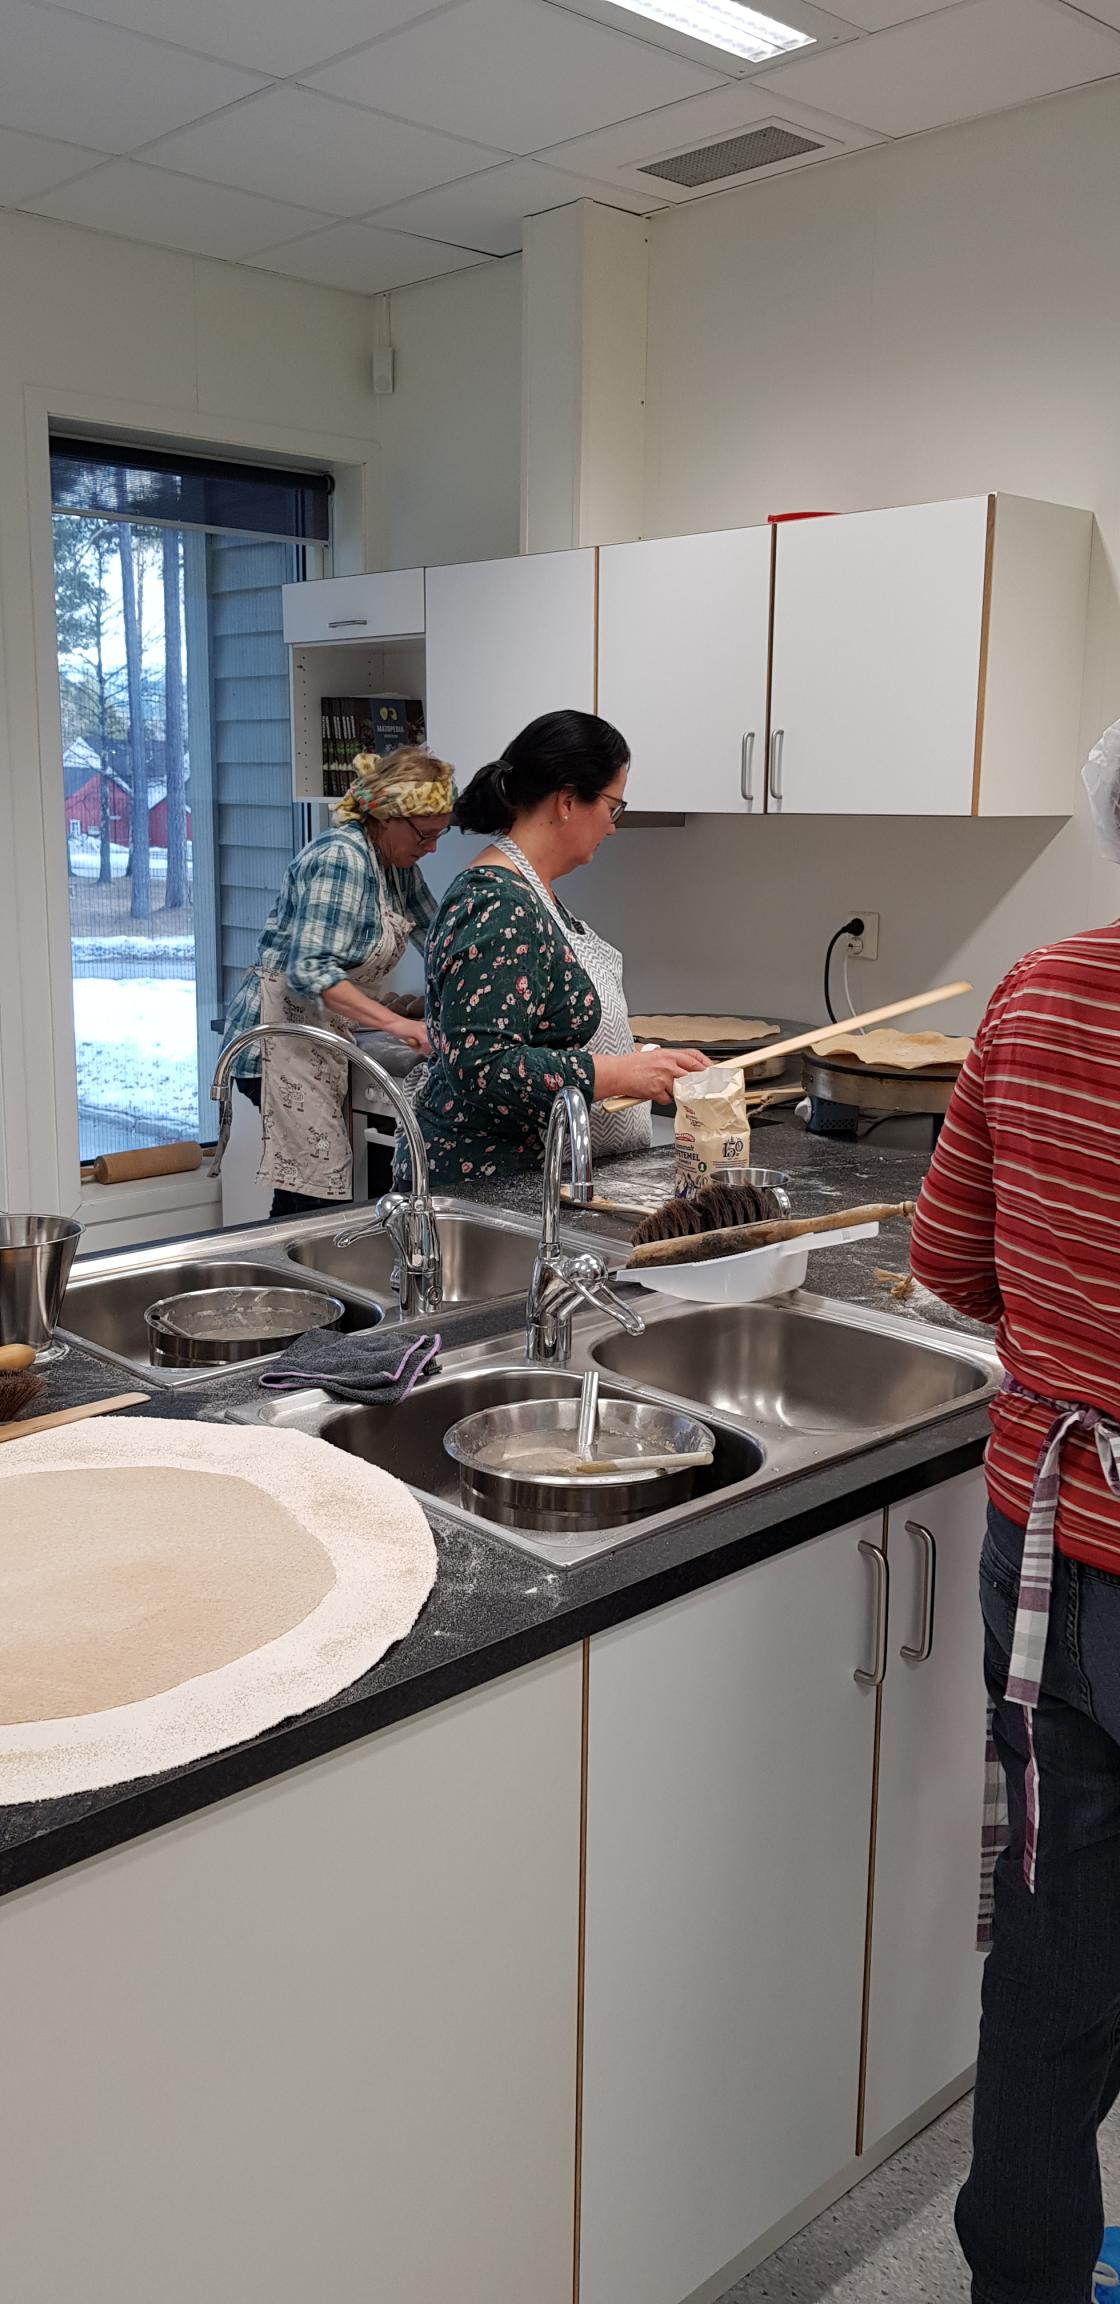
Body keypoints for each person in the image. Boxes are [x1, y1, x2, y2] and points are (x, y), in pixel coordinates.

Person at [909, 717, 1120, 2304]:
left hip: (1049, 1561)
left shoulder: (1038, 989)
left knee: (1050, 1949)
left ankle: (1025, 2282)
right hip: (1055, 1546)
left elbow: (948, 1264)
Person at [406, 709, 707, 1188]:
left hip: (525, 1183)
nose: (612, 827)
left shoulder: (532, 894)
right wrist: (620, 1074)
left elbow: (546, 1033)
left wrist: (647, 1059)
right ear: (567, 801)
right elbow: (481, 1065)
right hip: (486, 1187)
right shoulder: (497, 903)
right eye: (612, 807)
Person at [221, 745, 454, 1218]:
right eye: (426, 835)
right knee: (314, 1195)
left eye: (439, 834)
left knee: (310, 1192)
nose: (432, 848)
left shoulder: (395, 868)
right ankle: (288, 1268)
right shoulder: (341, 858)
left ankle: (292, 1265)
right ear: (387, 817)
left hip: (319, 1036)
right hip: (278, 1044)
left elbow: (437, 937)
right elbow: (310, 970)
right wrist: (399, 1024)